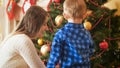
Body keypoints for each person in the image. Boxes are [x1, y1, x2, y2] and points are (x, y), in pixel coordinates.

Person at [47, 0, 94, 68]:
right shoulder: (87, 34)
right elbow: (91, 50)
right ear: (84, 16)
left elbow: (54, 56)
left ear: (65, 15)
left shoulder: (60, 34)